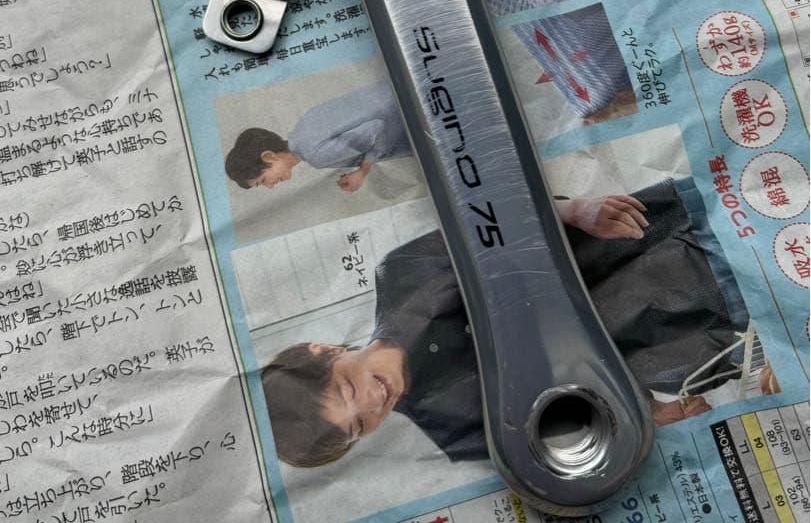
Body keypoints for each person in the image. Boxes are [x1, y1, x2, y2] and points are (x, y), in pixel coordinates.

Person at [261, 178, 776, 467]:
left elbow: (494, 222)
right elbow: (585, 419)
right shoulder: (458, 434)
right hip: (710, 329)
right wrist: (654, 417)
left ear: (325, 350)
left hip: (670, 228)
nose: (375, 402)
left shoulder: (399, 275)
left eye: (349, 389)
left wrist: (574, 210)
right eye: (360, 424)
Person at [225, 82, 411, 194]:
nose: (270, 186)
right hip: (397, 87)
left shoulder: (315, 156)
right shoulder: (304, 123)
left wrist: (362, 172)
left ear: (269, 156)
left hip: (408, 116)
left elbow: (376, 129)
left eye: (262, 180)